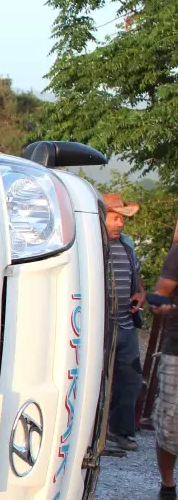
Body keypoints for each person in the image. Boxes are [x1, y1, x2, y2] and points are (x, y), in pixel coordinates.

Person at [104, 193, 146, 453]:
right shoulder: (92, 245)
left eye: (123, 219)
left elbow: (136, 276)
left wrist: (141, 293)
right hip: (101, 326)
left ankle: (121, 432)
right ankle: (94, 435)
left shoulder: (126, 245)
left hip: (125, 324)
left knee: (129, 381)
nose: (120, 224)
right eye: (115, 218)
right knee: (98, 380)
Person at [150, 238, 178, 500]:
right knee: (171, 425)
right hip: (177, 351)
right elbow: (160, 297)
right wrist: (163, 306)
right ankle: (168, 488)